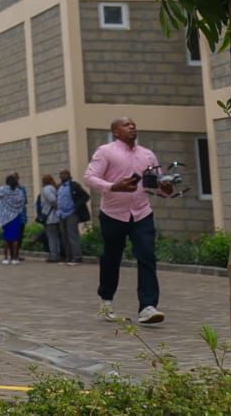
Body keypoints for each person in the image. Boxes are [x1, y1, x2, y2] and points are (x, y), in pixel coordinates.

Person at [85, 117, 172, 324]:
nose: (132, 126)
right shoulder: (105, 151)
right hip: (113, 214)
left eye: (133, 124)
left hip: (141, 213)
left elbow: (156, 184)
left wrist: (166, 188)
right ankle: (106, 301)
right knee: (112, 257)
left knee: (147, 255)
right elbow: (90, 177)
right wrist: (114, 186)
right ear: (115, 132)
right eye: (126, 125)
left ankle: (148, 307)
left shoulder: (147, 155)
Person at [55, 168, 88, 265]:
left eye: (64, 174)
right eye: (61, 174)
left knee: (72, 236)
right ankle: (68, 257)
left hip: (71, 214)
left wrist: (76, 206)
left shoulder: (74, 186)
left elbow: (85, 196)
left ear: (69, 176)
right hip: (61, 214)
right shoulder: (59, 187)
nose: (62, 176)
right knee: (64, 236)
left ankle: (77, 257)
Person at [0, 173, 27, 265]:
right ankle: (14, 258)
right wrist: (15, 210)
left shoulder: (2, 189)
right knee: (15, 239)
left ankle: (5, 258)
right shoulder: (19, 191)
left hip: (5, 218)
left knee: (6, 238)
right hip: (15, 217)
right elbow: (22, 203)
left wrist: (2, 209)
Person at [37, 174, 61, 263]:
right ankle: (57, 255)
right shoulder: (53, 188)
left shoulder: (47, 189)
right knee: (56, 237)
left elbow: (52, 200)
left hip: (50, 217)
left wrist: (57, 206)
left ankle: (54, 256)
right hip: (55, 216)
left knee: (51, 237)